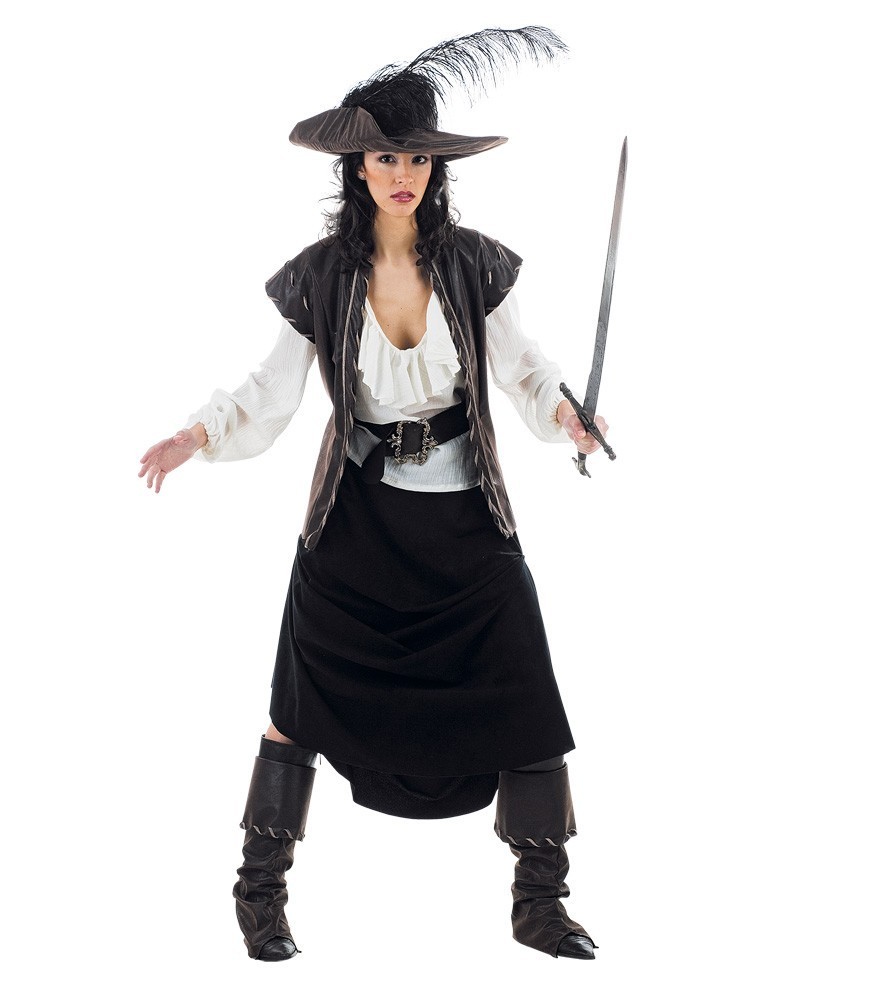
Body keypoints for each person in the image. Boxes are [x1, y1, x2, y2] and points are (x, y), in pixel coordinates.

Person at [138, 27, 609, 963]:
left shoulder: (474, 264)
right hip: (354, 522)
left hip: (466, 520)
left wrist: (568, 416)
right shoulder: (322, 276)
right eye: (386, 158)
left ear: (436, 169)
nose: (402, 174)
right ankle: (259, 894)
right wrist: (196, 436)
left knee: (524, 688)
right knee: (298, 699)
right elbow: (270, 389)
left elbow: (523, 369)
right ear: (357, 166)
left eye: (417, 159)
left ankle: (540, 903)